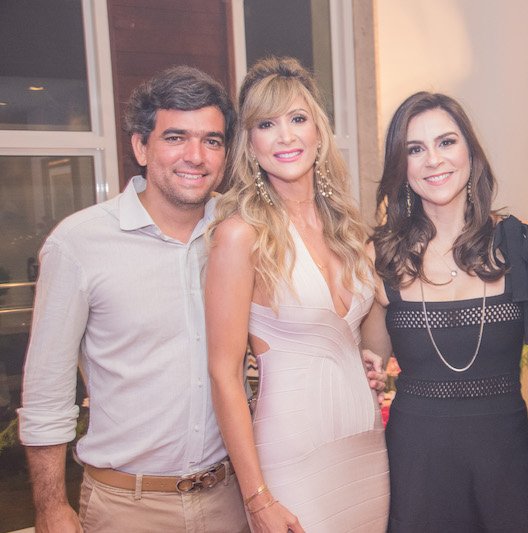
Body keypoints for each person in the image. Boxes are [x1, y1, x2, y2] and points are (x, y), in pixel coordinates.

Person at [18, 66, 249, 532]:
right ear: (141, 146)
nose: (195, 156)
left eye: (212, 140)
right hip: (127, 507)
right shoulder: (79, 243)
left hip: (231, 498)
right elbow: (46, 394)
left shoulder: (240, 234)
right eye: (175, 137)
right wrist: (50, 506)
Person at [205, 56, 389, 533]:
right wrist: (257, 498)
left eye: (298, 118)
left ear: (319, 133)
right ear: (250, 144)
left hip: (366, 451)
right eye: (266, 124)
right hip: (292, 460)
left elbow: (368, 341)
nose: (285, 136)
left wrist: (372, 349)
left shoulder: (348, 229)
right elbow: (224, 374)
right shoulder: (240, 235)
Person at [361, 91, 528, 532]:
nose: (433, 160)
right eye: (414, 149)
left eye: (446, 142)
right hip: (416, 468)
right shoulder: (378, 257)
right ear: (401, 166)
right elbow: (369, 366)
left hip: (507, 466)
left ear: (470, 152)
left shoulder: (519, 243)